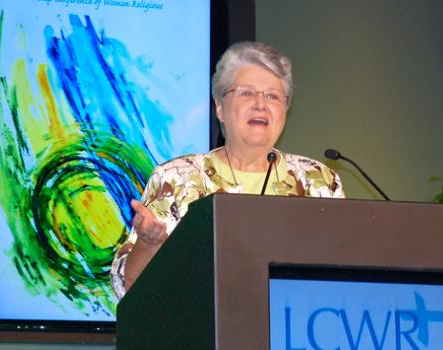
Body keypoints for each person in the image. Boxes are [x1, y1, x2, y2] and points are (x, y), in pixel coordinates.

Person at [110, 41, 345, 299]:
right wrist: (148, 243)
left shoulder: (317, 181)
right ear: (220, 108)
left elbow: (341, 277)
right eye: (246, 93)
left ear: (285, 111)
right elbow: (127, 290)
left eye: (272, 96)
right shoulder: (178, 178)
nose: (260, 104)